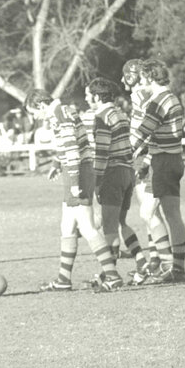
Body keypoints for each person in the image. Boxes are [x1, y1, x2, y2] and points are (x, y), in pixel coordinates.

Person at [24, 90, 123, 292]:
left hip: (78, 172)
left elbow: (72, 150)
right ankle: (63, 279)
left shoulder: (60, 114)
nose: (34, 117)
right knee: (67, 226)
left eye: (33, 112)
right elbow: (68, 145)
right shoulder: (60, 112)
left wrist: (75, 182)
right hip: (75, 171)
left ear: (41, 105)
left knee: (87, 227)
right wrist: (55, 164)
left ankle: (112, 275)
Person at [84, 77, 148, 278]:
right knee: (121, 222)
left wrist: (96, 181)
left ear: (96, 96)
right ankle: (141, 262)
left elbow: (102, 151)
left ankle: (109, 274)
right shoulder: (120, 113)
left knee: (109, 226)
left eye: (88, 95)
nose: (87, 99)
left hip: (112, 173)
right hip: (127, 172)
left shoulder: (102, 116)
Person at [131, 59, 185, 283]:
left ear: (148, 77)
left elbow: (142, 132)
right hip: (174, 158)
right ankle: (178, 269)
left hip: (162, 161)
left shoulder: (157, 101)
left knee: (147, 213)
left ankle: (167, 265)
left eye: (142, 77)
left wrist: (123, 154)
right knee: (173, 215)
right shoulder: (172, 97)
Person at [0, 106, 29, 176]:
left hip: (10, 150)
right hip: (2, 151)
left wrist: (2, 130)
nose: (5, 124)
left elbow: (6, 137)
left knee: (1, 153)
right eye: (4, 122)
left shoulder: (11, 130)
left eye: (6, 122)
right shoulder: (1, 130)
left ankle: (4, 169)